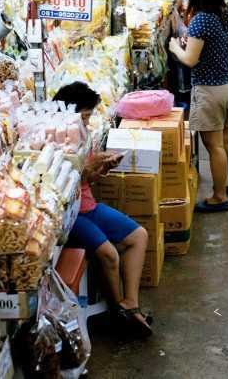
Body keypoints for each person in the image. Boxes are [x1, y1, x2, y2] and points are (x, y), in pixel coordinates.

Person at [54, 82, 153, 338]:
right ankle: (118, 312)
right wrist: (89, 170)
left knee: (139, 236)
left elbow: (88, 179)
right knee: (109, 254)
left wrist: (103, 166)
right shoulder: (56, 140)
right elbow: (65, 186)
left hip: (90, 207)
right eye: (84, 117)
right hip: (73, 216)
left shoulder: (84, 136)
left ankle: (130, 303)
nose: (86, 124)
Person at [169, 0, 228, 213]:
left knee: (214, 146)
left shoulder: (202, 19)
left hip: (211, 91)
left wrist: (174, 47)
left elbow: (189, 60)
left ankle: (219, 197)